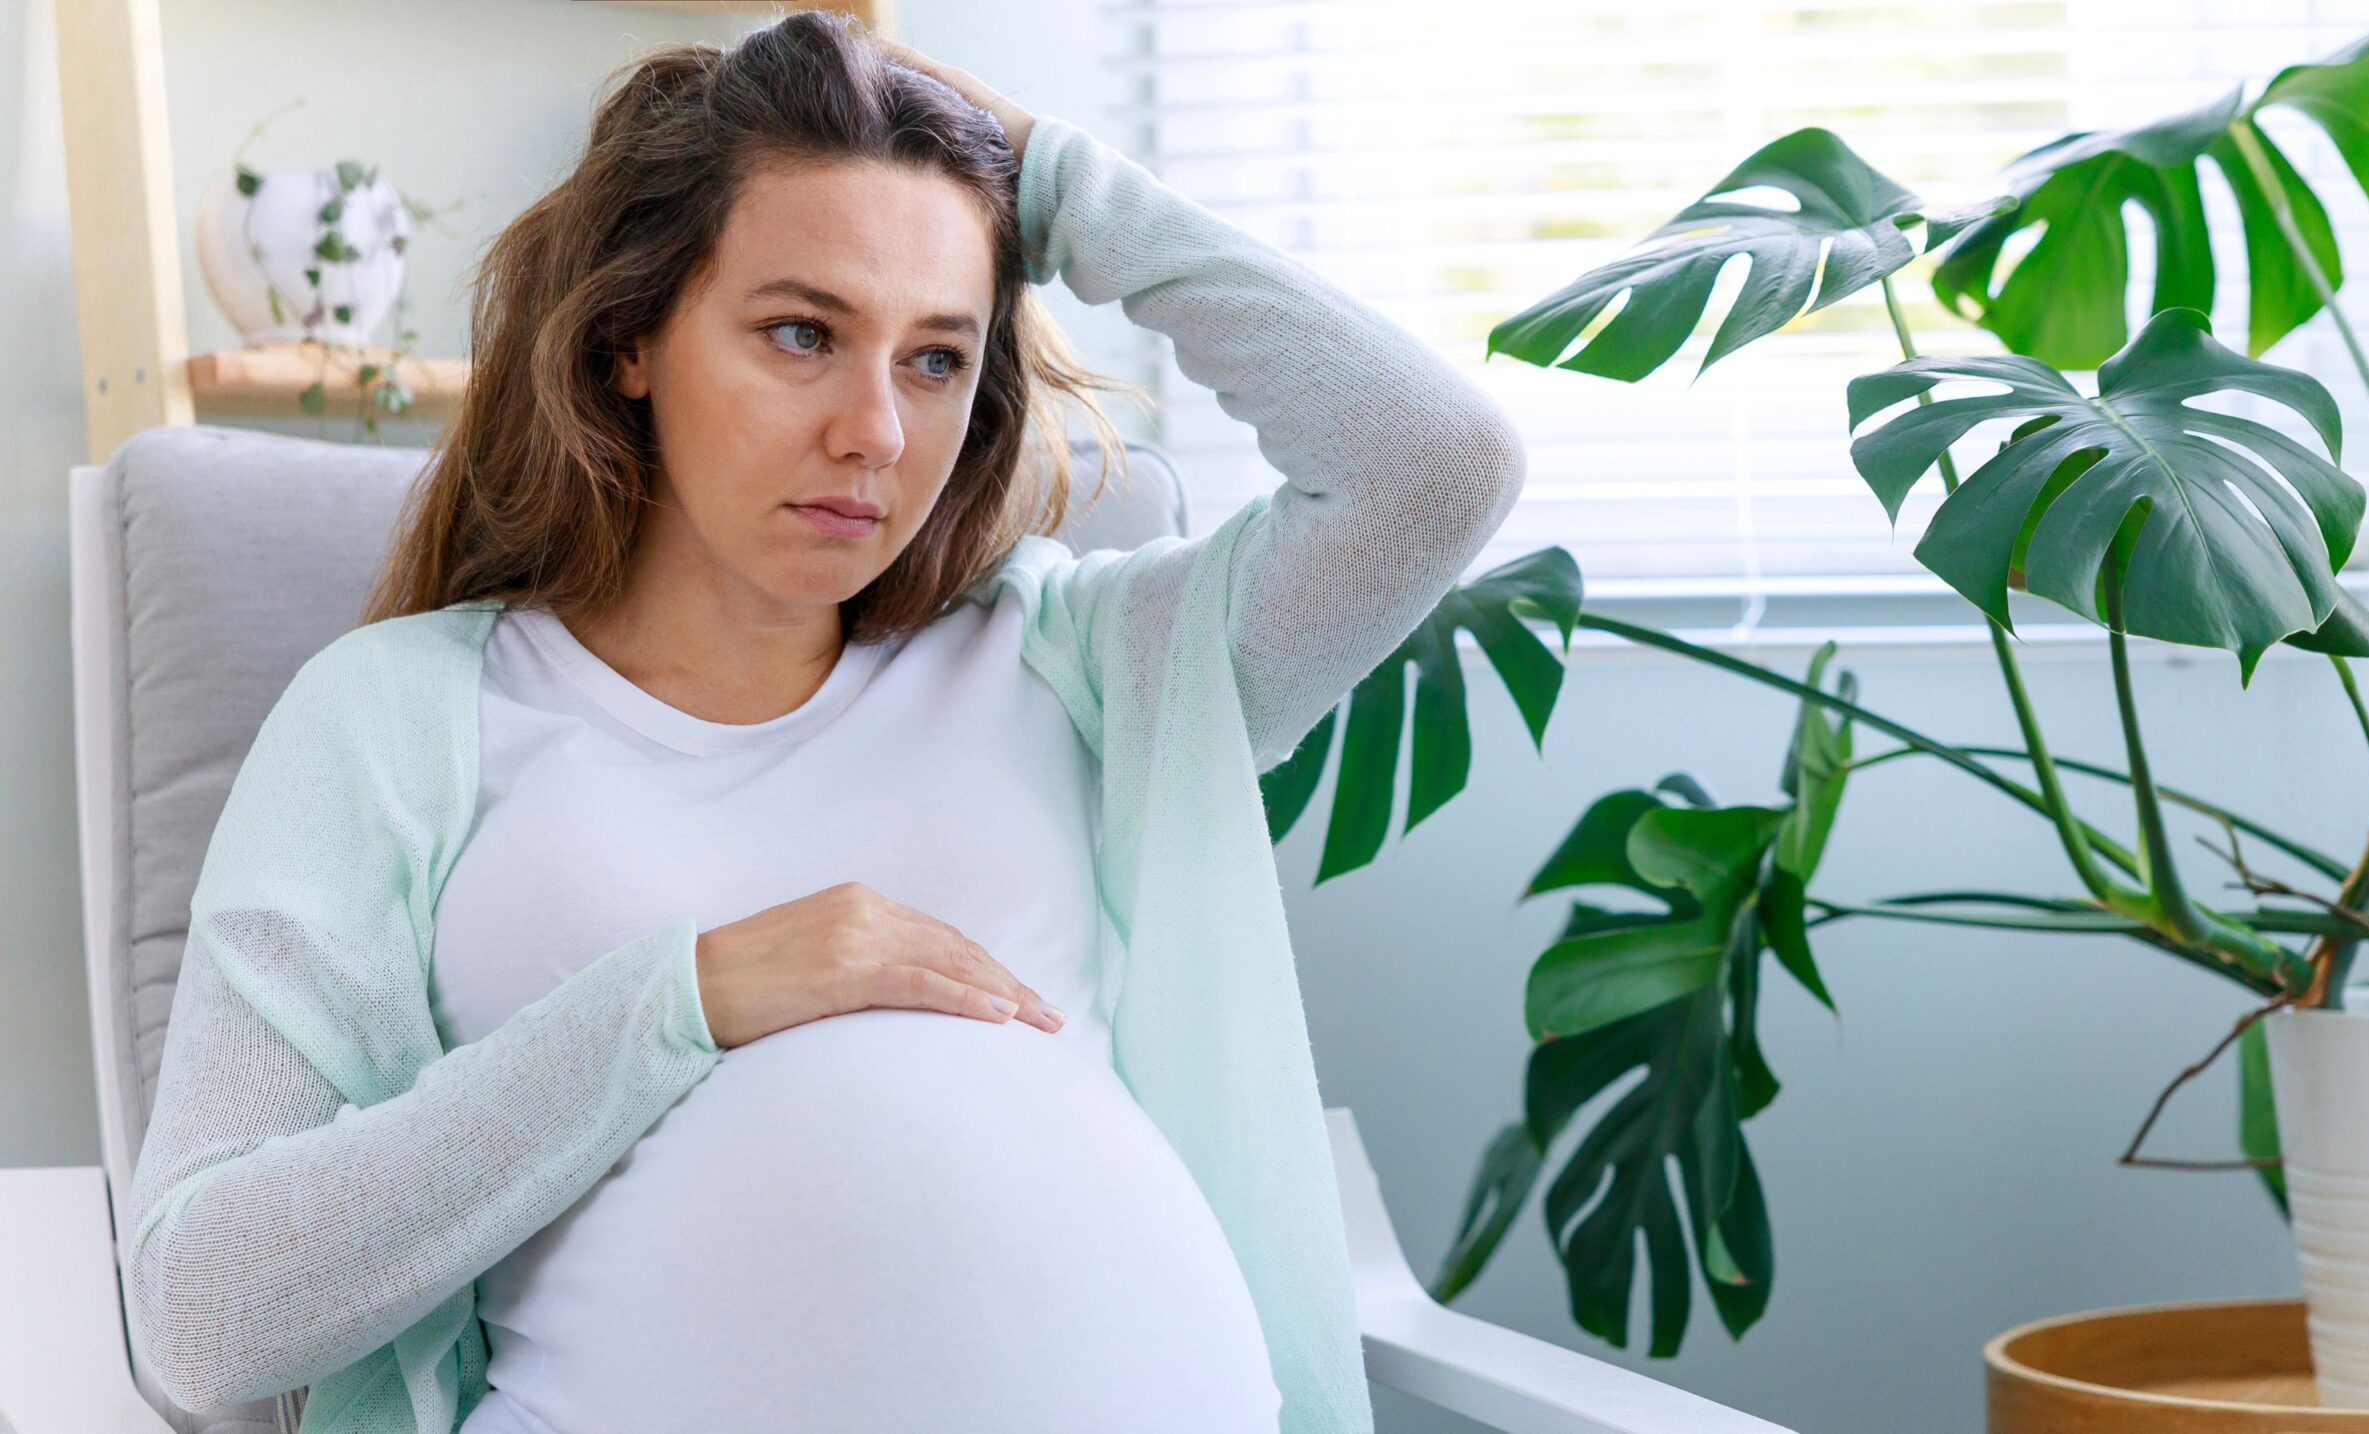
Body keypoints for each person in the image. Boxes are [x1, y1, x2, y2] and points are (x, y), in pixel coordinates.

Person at [120, 13, 1525, 1434]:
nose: (877, 433)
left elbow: (1441, 464)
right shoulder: (402, 717)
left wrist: (1054, 185)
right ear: (631, 339)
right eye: (804, 333)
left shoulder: (1074, 658)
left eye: (935, 357)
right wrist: (685, 999)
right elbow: (201, 1313)